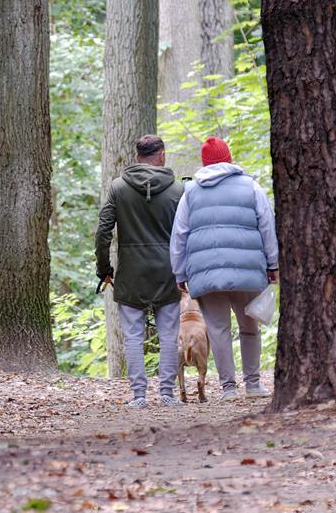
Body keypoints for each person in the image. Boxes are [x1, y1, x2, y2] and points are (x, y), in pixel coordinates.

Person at [169, 136, 279, 402]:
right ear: (229, 159)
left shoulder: (191, 192)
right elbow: (267, 226)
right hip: (248, 271)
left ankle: (229, 388)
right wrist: (273, 263)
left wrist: (180, 272)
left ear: (205, 163)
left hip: (206, 274)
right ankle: (253, 384)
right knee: (249, 325)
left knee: (218, 331)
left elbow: (179, 234)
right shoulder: (251, 187)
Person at [96, 135, 184, 408]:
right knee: (168, 334)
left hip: (131, 271)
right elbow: (186, 233)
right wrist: (186, 270)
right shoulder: (178, 190)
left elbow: (103, 232)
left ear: (138, 156)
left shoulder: (118, 188)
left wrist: (105, 269)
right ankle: (168, 393)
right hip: (167, 270)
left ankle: (139, 395)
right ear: (161, 155)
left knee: (133, 335)